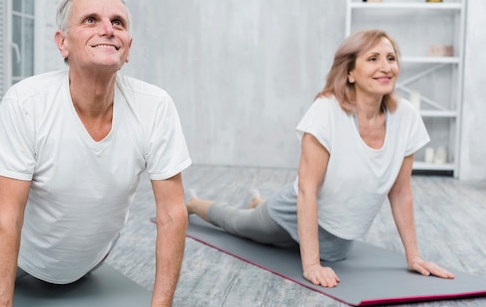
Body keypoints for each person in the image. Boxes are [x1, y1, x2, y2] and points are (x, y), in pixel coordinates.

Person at [0, 0, 216, 307]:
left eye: (117, 22)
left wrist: (163, 306)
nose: (107, 29)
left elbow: (171, 213)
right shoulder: (27, 103)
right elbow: (7, 217)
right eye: (91, 20)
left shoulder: (155, 107)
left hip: (90, 259)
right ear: (63, 43)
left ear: (128, 48)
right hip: (20, 254)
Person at [186, 29, 455, 289]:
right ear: (350, 72)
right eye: (373, 59)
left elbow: (400, 192)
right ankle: (194, 203)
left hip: (337, 238)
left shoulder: (406, 116)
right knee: (239, 225)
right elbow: (307, 189)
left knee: (329, 254)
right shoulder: (326, 110)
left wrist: (414, 257)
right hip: (293, 210)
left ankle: (258, 203)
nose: (385, 66)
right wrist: (311, 264)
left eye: (391, 58)